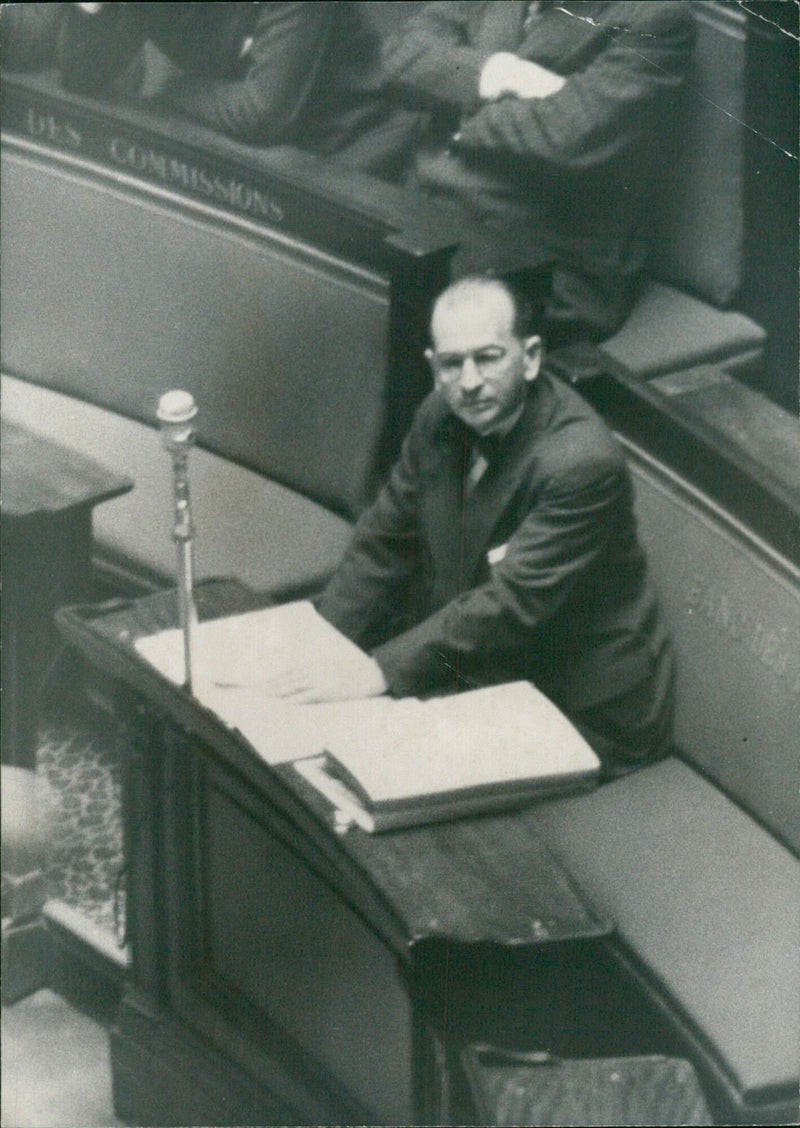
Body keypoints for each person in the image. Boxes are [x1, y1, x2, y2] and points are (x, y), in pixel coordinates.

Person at [267, 276, 674, 776]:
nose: (470, 381)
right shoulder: (438, 415)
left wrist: (374, 671)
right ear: (433, 368)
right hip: (483, 667)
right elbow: (383, 544)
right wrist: (323, 646)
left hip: (577, 705)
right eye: (452, 363)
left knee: (376, 770)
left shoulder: (581, 462)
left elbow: (508, 605)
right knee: (313, 735)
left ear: (530, 357)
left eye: (488, 357)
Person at [379, 1, 695, 345]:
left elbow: (568, 134)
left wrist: (461, 122)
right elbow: (398, 56)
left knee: (384, 314)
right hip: (428, 212)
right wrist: (501, 74)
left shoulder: (657, 18)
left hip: (544, 264)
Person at [50, 2, 415, 174]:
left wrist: (169, 91)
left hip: (344, 154)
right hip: (233, 146)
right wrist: (90, 11)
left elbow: (260, 113)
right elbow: (82, 76)